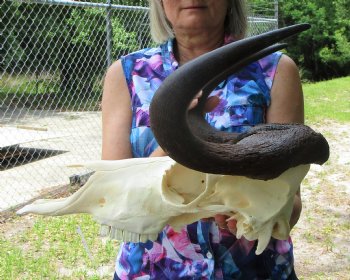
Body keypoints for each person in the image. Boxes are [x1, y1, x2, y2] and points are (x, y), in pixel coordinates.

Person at [101, 0, 304, 279]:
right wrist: (175, 134)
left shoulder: (275, 72)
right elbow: (111, 201)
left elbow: (291, 203)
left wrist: (258, 217)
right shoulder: (127, 75)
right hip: (152, 270)